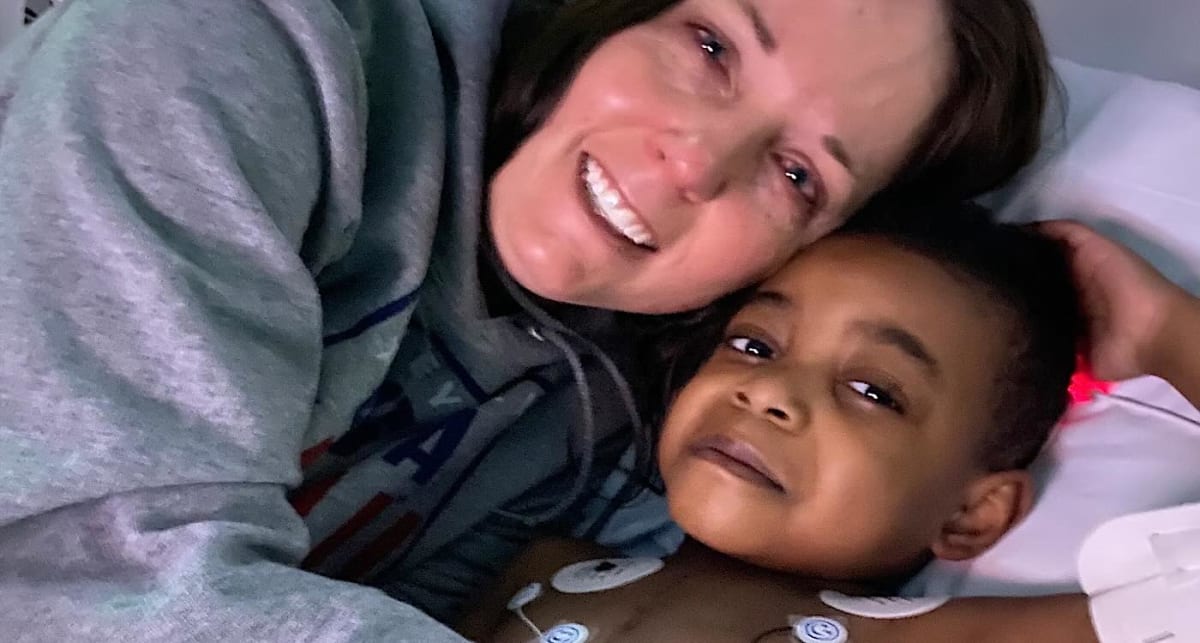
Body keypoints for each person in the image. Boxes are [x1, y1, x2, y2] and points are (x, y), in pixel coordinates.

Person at [0, 0, 1050, 640]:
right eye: (712, 46)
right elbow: (68, 573)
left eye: (795, 172)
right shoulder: (242, 43)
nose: (693, 160)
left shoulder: (624, 414)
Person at [460, 201, 1085, 642]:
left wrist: (1167, 336)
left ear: (971, 514)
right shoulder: (542, 568)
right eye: (754, 345)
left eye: (870, 390)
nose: (766, 392)